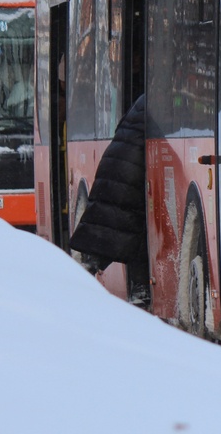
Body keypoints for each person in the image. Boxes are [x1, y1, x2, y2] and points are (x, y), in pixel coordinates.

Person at [68, 95, 148, 293]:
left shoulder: (141, 103)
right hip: (130, 169)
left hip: (117, 164)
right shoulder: (156, 100)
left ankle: (90, 265)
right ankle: (140, 287)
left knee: (116, 223)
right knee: (130, 227)